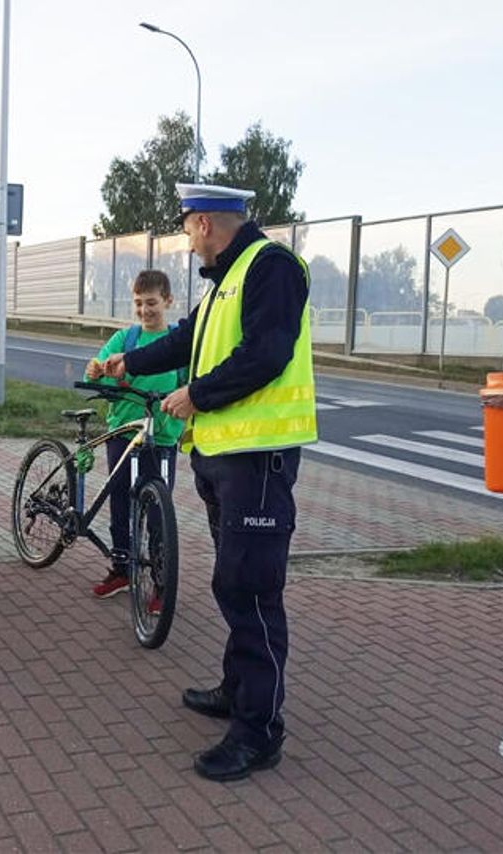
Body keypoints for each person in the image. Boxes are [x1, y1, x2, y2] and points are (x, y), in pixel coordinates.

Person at [100, 184, 316, 782]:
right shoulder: (229, 278)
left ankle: (258, 731)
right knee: (233, 580)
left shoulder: (270, 267)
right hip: (227, 458)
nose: (188, 239)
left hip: (259, 461)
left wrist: (197, 394)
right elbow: (186, 338)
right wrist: (129, 361)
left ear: (205, 223)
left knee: (250, 589)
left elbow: (267, 355)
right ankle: (237, 687)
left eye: (189, 228)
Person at [83, 269, 184, 601]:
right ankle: (121, 568)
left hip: (163, 439)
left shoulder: (177, 343)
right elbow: (102, 379)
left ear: (168, 301)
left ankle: (160, 582)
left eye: (152, 302)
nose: (144, 310)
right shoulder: (124, 341)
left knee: (158, 511)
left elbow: (189, 385)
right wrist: (96, 372)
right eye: (138, 303)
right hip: (123, 434)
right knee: (121, 506)